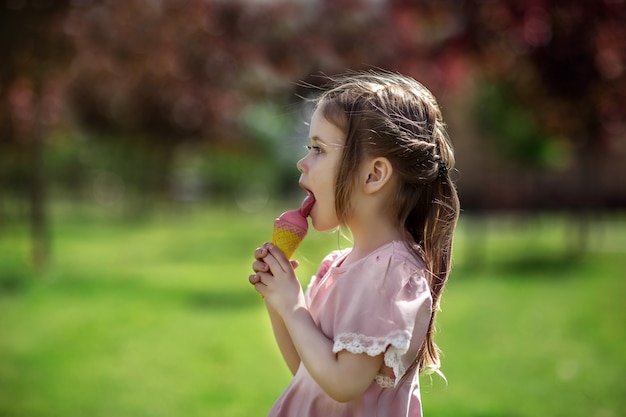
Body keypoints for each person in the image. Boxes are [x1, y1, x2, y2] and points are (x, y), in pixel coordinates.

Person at [249, 71, 460, 417]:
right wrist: (280, 302)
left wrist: (293, 307)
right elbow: (308, 371)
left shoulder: (392, 273)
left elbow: (344, 384)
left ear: (373, 175)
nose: (302, 163)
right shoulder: (338, 265)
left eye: (318, 149)